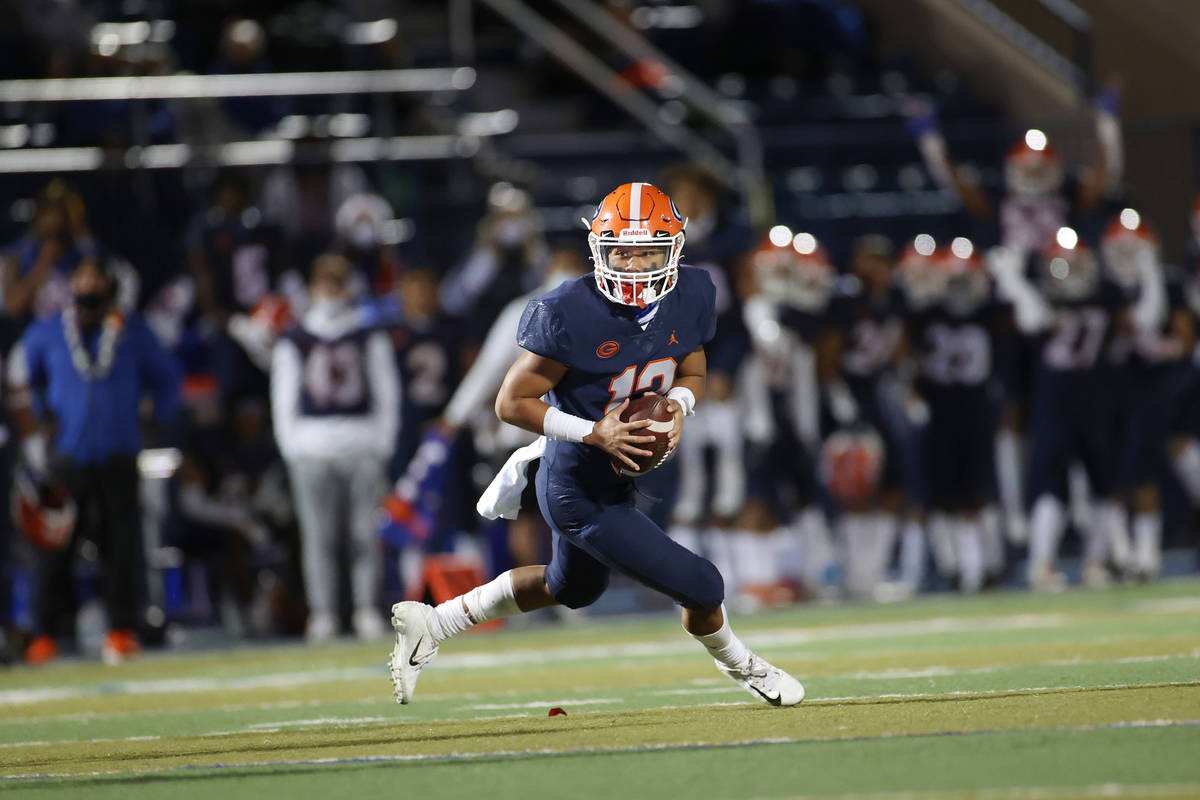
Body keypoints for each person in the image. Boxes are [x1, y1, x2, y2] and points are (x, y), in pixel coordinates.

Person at [388, 182, 804, 707]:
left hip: (618, 475)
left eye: (646, 250)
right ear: (598, 250)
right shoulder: (570, 311)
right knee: (703, 585)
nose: (632, 265)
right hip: (575, 485)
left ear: (673, 248)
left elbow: (693, 367)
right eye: (620, 251)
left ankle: (434, 622)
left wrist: (678, 404)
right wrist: (591, 430)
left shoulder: (692, 292)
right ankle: (744, 665)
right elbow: (510, 403)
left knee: (574, 588)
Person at [8, 255, 181, 664]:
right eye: (81, 278)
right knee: (53, 545)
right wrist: (33, 430)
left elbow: (168, 379)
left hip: (119, 453)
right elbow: (19, 377)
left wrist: (156, 420)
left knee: (122, 546)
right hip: (67, 454)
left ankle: (121, 629)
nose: (87, 287)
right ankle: (45, 632)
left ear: (110, 288)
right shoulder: (50, 331)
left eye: (95, 279)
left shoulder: (133, 331)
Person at [270, 254, 400, 641]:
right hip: (312, 446)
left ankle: (364, 609)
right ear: (312, 288)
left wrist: (381, 444)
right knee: (318, 537)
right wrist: (292, 448)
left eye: (337, 282)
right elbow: (283, 397)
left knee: (364, 534)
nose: (331, 291)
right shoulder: (295, 337)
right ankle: (323, 613)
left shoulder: (367, 333)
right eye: (324, 283)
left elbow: (386, 392)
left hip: (360, 443)